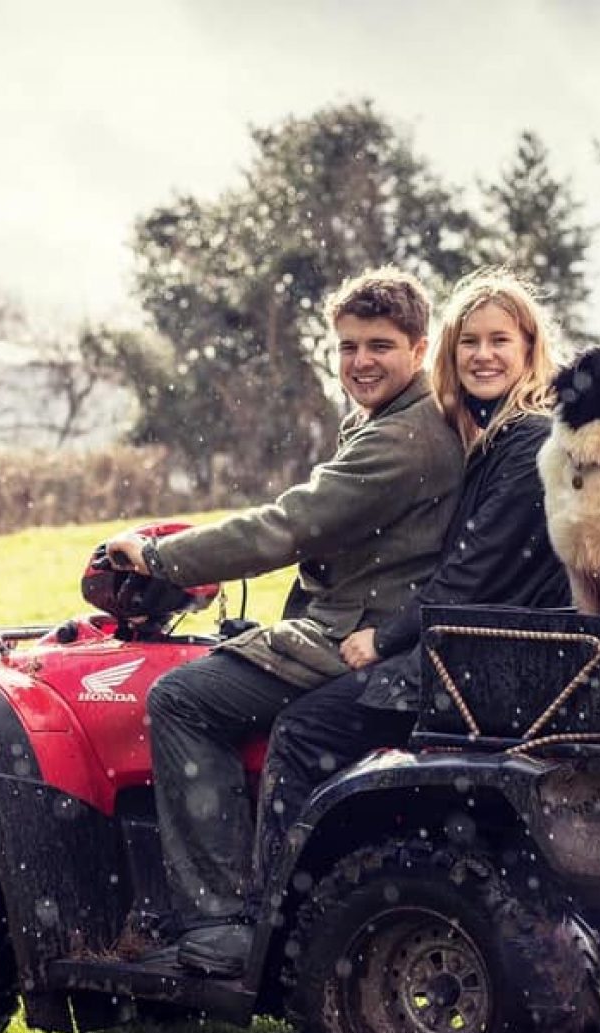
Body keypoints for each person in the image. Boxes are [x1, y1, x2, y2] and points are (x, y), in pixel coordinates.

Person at [105, 266, 464, 977]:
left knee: (182, 698)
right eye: (348, 346)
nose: (360, 362)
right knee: (218, 660)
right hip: (364, 621)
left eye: (380, 346)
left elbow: (288, 526)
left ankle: (220, 924)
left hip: (356, 635)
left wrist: (158, 558)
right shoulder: (392, 418)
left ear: (420, 350)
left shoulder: (405, 438)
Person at [251, 268, 571, 956]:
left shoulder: (526, 442)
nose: (483, 356)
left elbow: (470, 574)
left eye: (500, 342)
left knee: (302, 730)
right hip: (494, 649)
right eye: (470, 344)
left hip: (491, 660)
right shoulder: (491, 433)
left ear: (528, 349)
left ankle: (269, 928)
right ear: (448, 353)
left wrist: (386, 636)